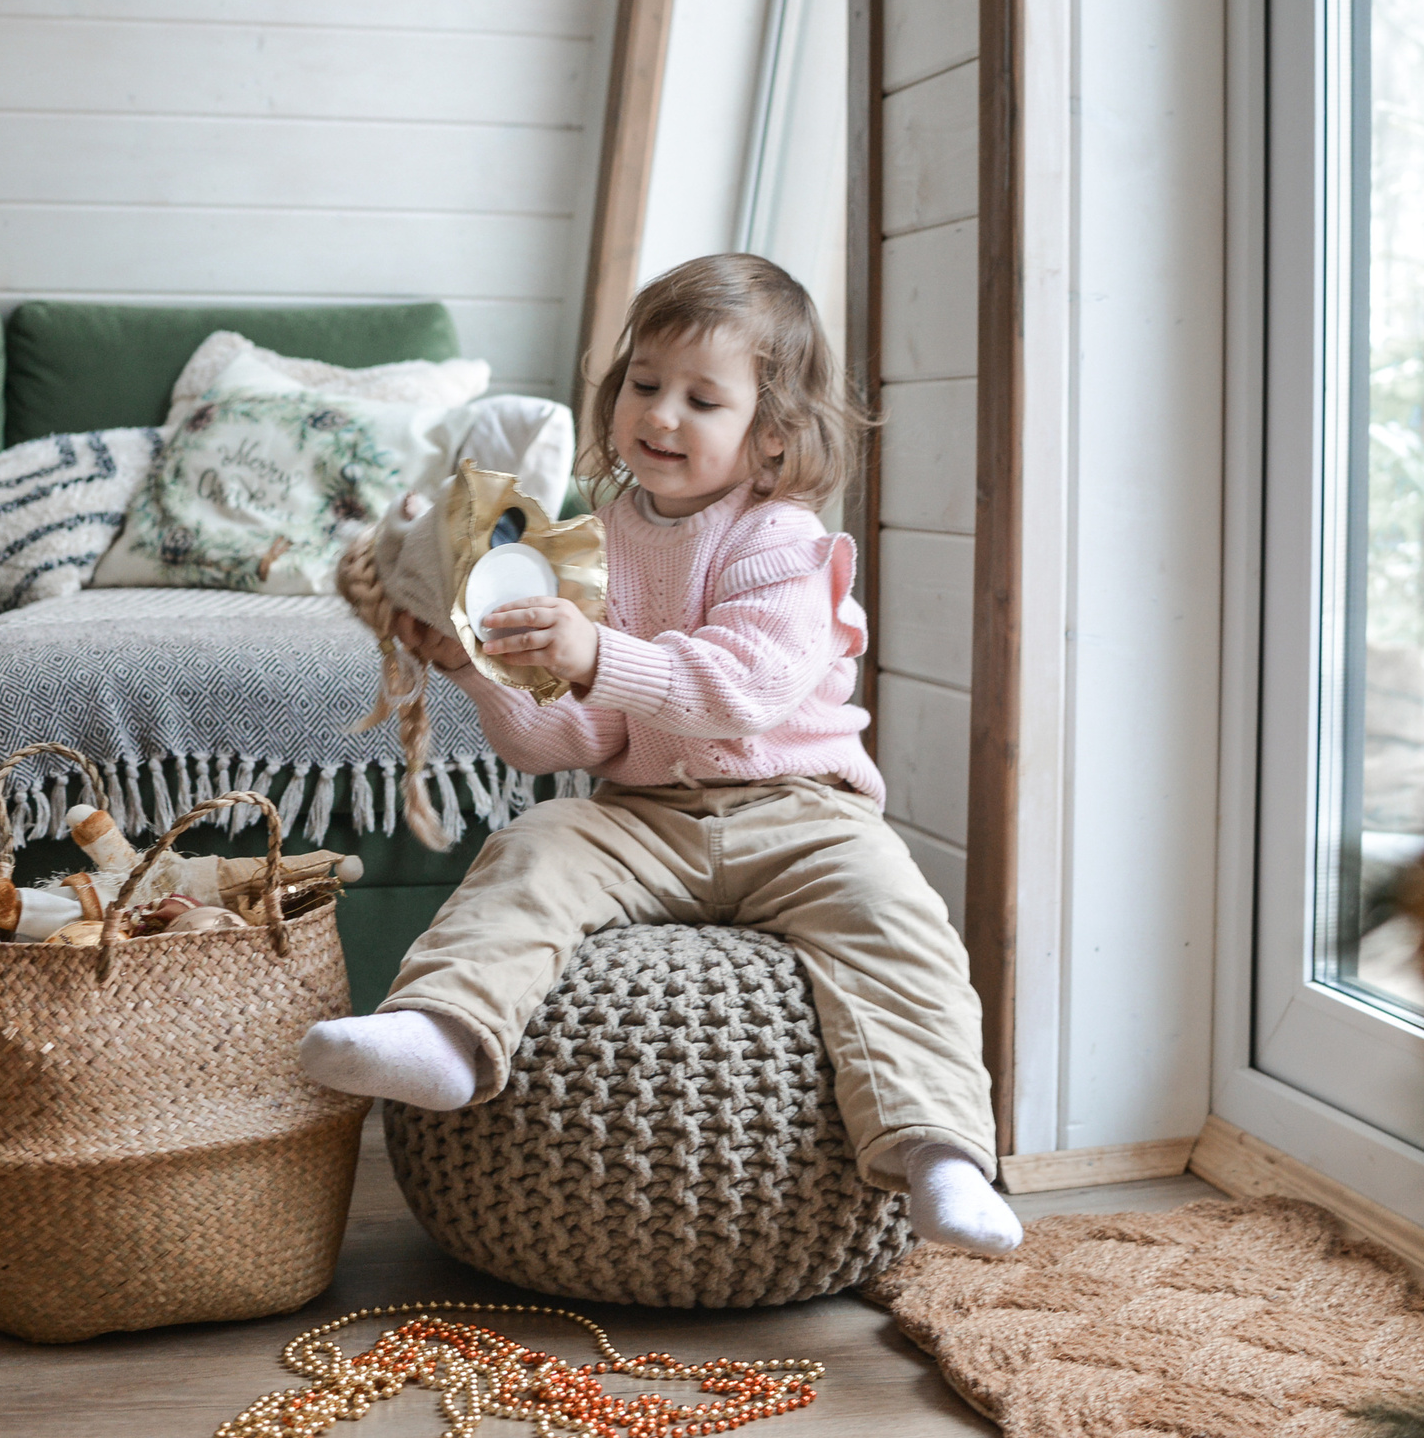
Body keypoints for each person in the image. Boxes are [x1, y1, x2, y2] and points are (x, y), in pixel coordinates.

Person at [299, 253, 1018, 1255]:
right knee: (534, 843)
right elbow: (572, 738)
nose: (661, 415)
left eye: (700, 397)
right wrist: (476, 671)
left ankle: (939, 1152)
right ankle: (447, 1030)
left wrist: (596, 650)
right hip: (643, 815)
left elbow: (740, 689)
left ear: (771, 433)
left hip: (798, 810)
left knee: (893, 914)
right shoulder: (598, 534)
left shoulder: (781, 537)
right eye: (644, 383)